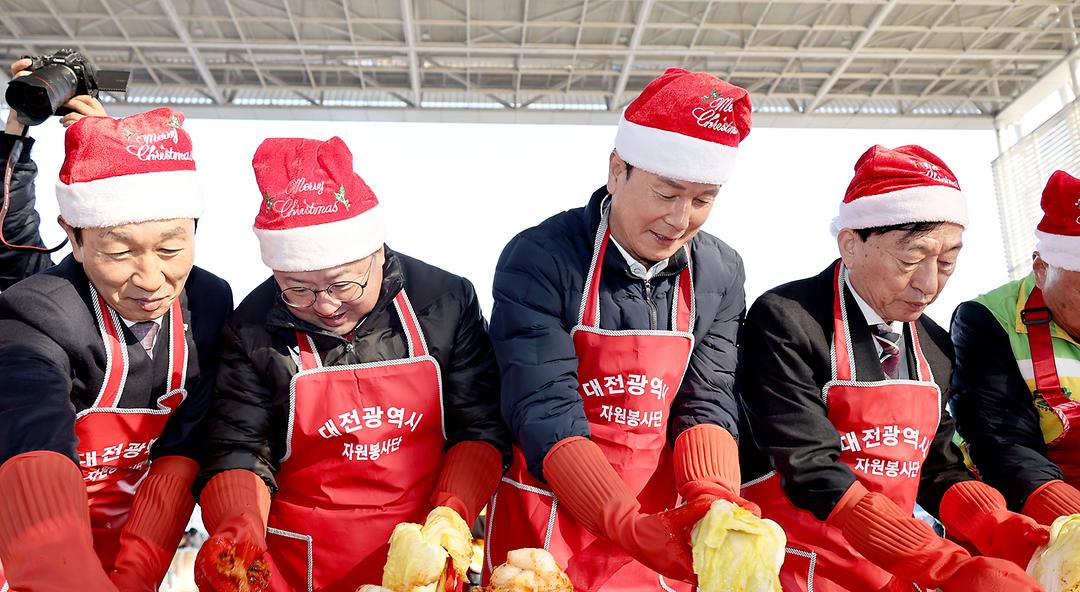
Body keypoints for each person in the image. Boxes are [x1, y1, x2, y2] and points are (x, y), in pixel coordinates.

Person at [192, 136, 510, 591]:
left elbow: (479, 426)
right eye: (297, 289)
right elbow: (238, 448)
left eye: (343, 285)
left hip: (421, 560)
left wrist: (450, 515)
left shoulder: (444, 302)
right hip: (299, 564)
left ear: (376, 252)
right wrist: (238, 522)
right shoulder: (252, 329)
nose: (324, 306)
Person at [484, 68, 756, 592]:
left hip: (661, 526)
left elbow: (708, 397)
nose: (681, 219)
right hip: (547, 524)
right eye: (666, 193)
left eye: (703, 200)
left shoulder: (720, 271)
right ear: (617, 170)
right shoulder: (541, 257)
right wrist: (623, 522)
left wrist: (712, 496)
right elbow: (543, 403)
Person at [738, 144, 1046, 591]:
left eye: (946, 262)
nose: (929, 284)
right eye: (910, 260)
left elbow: (937, 469)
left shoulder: (934, 346)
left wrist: (998, 526)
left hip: (894, 571)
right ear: (850, 243)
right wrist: (944, 563)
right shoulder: (787, 319)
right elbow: (808, 467)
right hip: (795, 566)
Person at [0, 57, 232, 592]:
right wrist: (17, 129)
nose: (151, 279)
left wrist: (138, 572)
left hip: (134, 544)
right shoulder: (36, 311)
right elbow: (33, 431)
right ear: (75, 240)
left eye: (172, 248)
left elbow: (184, 448)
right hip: (30, 551)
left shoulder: (210, 302)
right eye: (119, 251)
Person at [951, 169, 1080, 527]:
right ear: (1041, 268)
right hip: (1023, 504)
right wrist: (1065, 516)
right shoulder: (988, 321)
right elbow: (999, 437)